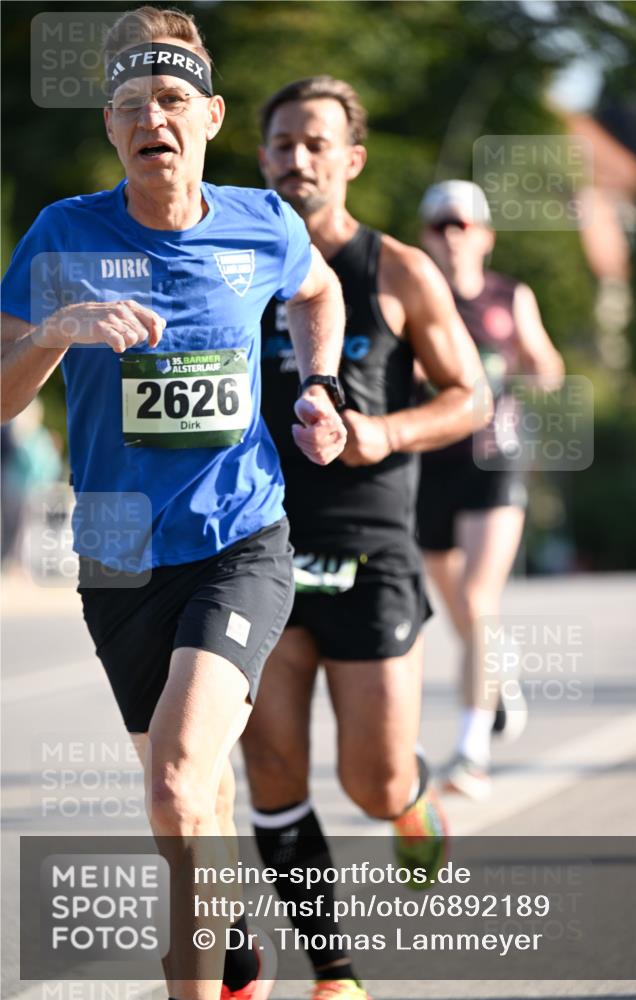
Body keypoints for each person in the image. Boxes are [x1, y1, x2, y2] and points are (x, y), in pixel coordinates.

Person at [0, 9, 347, 1000]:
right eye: (130, 104)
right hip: (117, 556)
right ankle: (231, 944)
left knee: (175, 781)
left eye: (170, 99)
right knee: (186, 800)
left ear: (210, 116)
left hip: (240, 539)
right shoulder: (63, 234)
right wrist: (59, 329)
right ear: (110, 127)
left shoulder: (262, 222)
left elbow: (317, 292)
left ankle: (193, 978)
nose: (151, 117)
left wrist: (321, 385)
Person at [240, 78, 490, 1000]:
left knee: (371, 779)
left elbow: (470, 396)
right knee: (271, 769)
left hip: (367, 549)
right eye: (281, 144)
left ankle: (410, 800)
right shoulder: (233, 264)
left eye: (316, 143)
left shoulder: (397, 270)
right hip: (254, 544)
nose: (296, 159)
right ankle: (333, 972)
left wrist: (384, 432)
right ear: (261, 157)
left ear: (350, 159)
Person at [417, 180, 565, 799]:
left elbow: (548, 368)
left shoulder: (510, 295)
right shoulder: (416, 293)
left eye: (463, 224)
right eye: (440, 225)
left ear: (485, 235)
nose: (452, 236)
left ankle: (471, 751)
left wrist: (531, 364)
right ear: (426, 237)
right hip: (430, 463)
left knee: (479, 599)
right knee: (457, 605)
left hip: (494, 461)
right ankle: (495, 675)